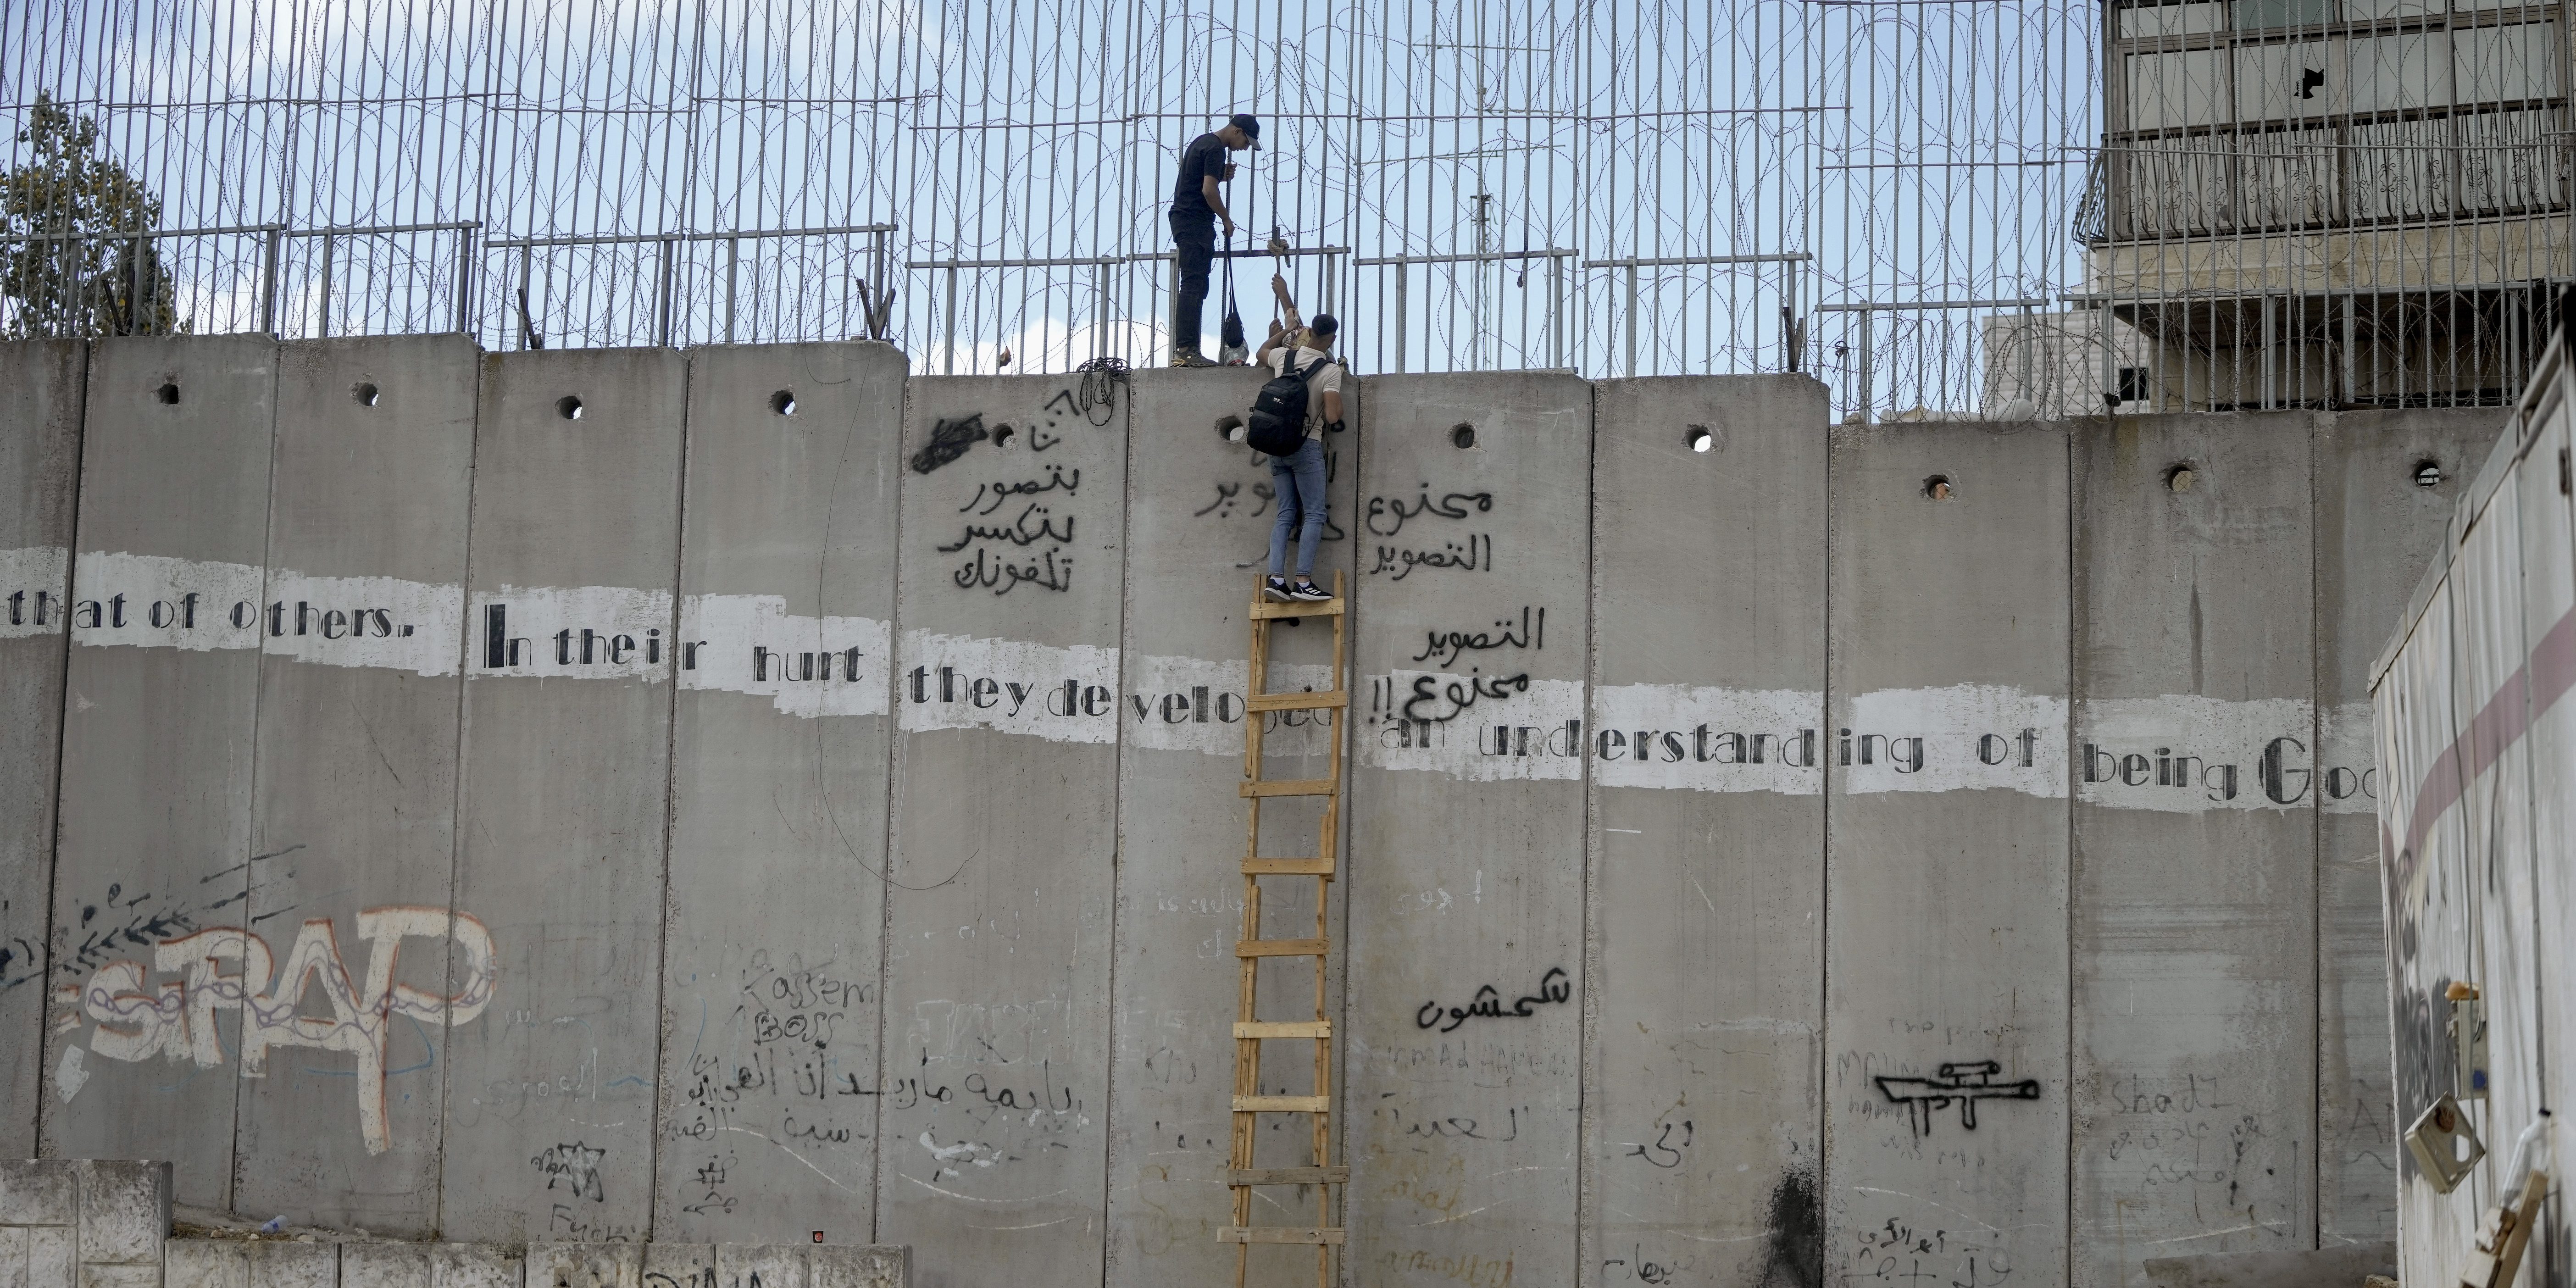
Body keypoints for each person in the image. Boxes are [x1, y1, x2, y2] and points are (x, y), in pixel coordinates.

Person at [1252, 273, 1344, 603]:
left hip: (1276, 445)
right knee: (1315, 514)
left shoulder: (1284, 358)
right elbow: (1333, 416)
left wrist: (1284, 333)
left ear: (1308, 333)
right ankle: (1304, 581)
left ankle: (1276, 580)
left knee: (1285, 514)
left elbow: (1262, 351)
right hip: (1306, 446)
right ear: (1331, 339)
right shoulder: (1330, 370)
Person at [1168, 113, 1259, 368]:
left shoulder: (1204, 143)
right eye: (1246, 142)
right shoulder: (1216, 149)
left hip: (1186, 220)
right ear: (1237, 131)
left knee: (1194, 286)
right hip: (1195, 223)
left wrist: (1219, 173)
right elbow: (1208, 191)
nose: (1245, 148)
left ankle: (1187, 349)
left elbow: (1198, 180)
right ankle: (1186, 350)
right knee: (1194, 286)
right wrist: (1227, 219)